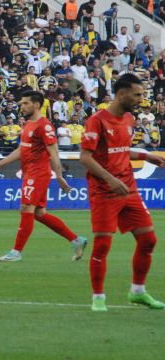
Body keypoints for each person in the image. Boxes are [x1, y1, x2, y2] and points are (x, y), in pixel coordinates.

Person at [80, 74, 165, 312]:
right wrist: (109, 178)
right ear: (121, 94)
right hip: (105, 191)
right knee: (103, 246)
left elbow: (121, 150)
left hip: (128, 188)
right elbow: (85, 157)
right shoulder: (97, 121)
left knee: (148, 240)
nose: (141, 99)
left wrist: (145, 155)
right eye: (137, 94)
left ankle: (137, 292)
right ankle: (98, 298)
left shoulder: (128, 119)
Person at [0, 91, 87, 262]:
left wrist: (59, 176)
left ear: (36, 105)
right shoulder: (29, 124)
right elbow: (21, 150)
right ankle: (76, 240)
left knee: (26, 208)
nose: (21, 106)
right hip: (30, 173)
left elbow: (53, 152)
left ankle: (16, 252)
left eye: (25, 103)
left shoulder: (44, 125)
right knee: (39, 213)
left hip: (38, 173)